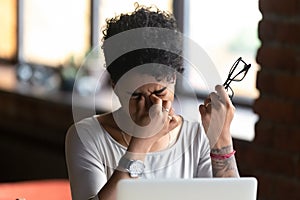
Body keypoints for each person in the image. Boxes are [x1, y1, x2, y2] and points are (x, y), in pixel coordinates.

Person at [65, 4, 239, 200]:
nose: (152, 106)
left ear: (173, 79)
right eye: (136, 96)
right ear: (114, 86)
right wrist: (140, 144)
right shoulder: (87, 137)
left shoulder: (196, 137)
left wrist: (221, 139)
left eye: (160, 92)